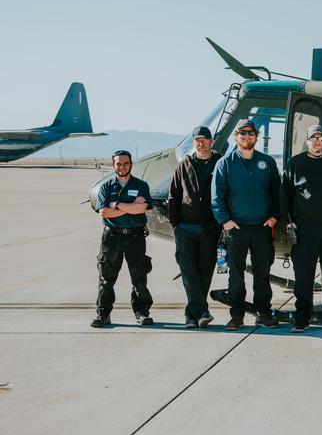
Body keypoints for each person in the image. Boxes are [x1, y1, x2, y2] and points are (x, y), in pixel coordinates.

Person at [211, 118, 281, 331]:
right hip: (236, 229)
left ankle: (263, 313)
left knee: (262, 274)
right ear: (236, 137)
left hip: (261, 227)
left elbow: (277, 192)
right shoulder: (225, 163)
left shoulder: (267, 162)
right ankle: (237, 315)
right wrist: (225, 221)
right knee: (236, 274)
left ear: (256, 136)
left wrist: (274, 217)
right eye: (243, 133)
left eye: (251, 133)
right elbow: (217, 195)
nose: (247, 137)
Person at [281, 124, 322, 332]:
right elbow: (284, 195)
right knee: (303, 277)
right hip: (304, 228)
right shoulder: (295, 164)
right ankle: (302, 320)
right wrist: (289, 221)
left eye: (321, 138)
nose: (317, 142)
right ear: (307, 141)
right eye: (314, 138)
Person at [91, 150, 154, 328]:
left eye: (125, 163)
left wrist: (116, 205)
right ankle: (103, 314)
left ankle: (142, 313)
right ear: (113, 165)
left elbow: (141, 209)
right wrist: (131, 206)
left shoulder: (141, 185)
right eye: (118, 163)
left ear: (131, 164)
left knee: (139, 277)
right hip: (112, 236)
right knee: (106, 277)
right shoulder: (106, 186)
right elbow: (104, 212)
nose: (122, 166)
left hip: (135, 236)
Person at [167, 126, 221, 328]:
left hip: (210, 227)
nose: (200, 143)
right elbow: (174, 196)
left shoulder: (220, 163)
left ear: (211, 142)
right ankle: (200, 312)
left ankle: (193, 315)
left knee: (205, 270)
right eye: (197, 140)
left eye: (204, 140)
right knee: (189, 271)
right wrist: (176, 225)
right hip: (186, 228)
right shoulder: (183, 165)